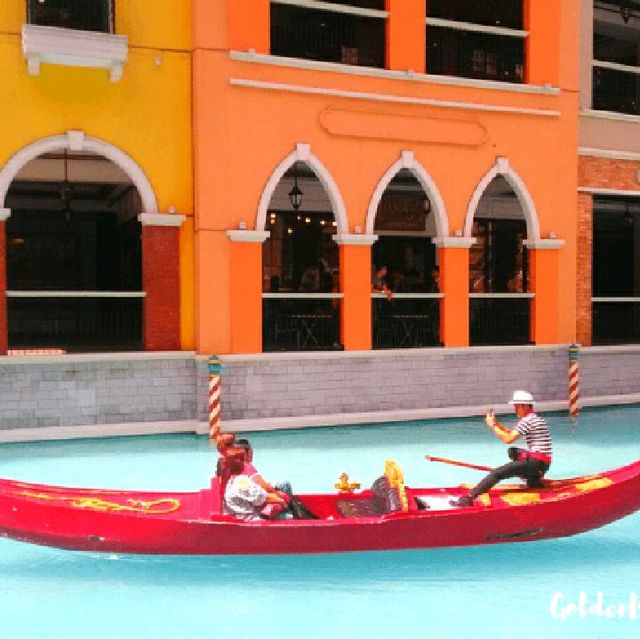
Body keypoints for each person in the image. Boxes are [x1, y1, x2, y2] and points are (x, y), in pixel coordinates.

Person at [451, 390, 553, 507]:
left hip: (536, 462)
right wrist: (496, 423)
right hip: (542, 462)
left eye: (517, 406)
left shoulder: (527, 421)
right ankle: (533, 479)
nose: (515, 410)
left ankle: (468, 498)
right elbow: (511, 433)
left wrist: (492, 426)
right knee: (513, 452)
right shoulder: (535, 418)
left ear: (525, 406)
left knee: (497, 473)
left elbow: (508, 439)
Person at [221, 451, 288, 520]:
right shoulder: (241, 481)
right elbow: (262, 498)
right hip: (252, 519)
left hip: (239, 516)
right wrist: (282, 501)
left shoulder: (229, 482)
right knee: (289, 517)